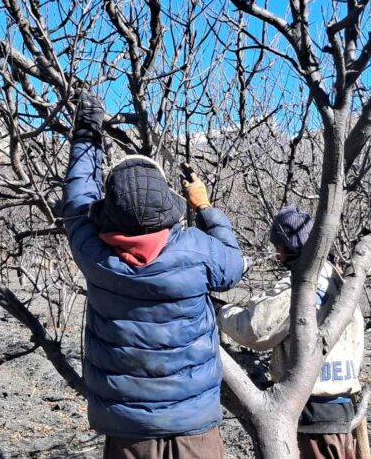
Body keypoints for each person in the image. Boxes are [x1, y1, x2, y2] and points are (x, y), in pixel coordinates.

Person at [60, 92, 245, 459]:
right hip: (195, 428)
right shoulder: (197, 250)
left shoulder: (93, 252)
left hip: (129, 432)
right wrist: (205, 207)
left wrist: (86, 133)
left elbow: (78, 193)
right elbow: (234, 266)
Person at [217, 206, 365, 459]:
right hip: (339, 407)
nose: (276, 254)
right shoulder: (337, 279)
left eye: (278, 246)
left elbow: (255, 329)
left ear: (288, 246)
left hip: (310, 409)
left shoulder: (299, 286)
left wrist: (221, 312)